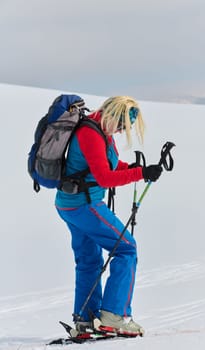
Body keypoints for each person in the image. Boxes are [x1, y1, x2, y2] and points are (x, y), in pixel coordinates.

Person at [55, 96, 162, 335]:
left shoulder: (100, 130)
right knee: (126, 248)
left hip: (70, 204)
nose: (123, 130)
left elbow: (110, 165)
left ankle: (86, 319)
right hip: (85, 205)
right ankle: (115, 315)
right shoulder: (91, 133)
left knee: (89, 261)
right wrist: (139, 173)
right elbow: (104, 178)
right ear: (114, 115)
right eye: (123, 125)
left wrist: (141, 171)